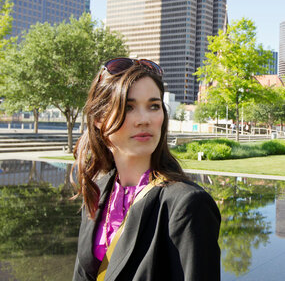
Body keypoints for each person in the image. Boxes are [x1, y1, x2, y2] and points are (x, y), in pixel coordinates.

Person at [72, 58, 221, 281]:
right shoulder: (97, 190)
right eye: (128, 107)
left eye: (154, 106)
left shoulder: (187, 205)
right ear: (99, 119)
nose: (145, 120)